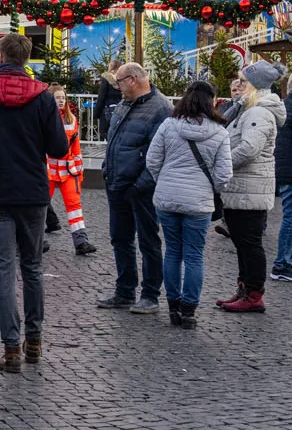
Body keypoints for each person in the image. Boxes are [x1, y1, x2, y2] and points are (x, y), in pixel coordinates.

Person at [0, 34, 68, 374]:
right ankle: (34, 340)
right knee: (32, 267)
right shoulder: (44, 98)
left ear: (0, 55)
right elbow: (59, 148)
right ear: (27, 58)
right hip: (33, 191)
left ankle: (11, 347)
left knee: (3, 269)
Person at [145, 81, 232, 330]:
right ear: (211, 101)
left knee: (173, 252)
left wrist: (164, 181)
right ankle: (189, 311)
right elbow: (224, 175)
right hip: (199, 203)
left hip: (167, 198)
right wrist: (209, 188)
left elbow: (152, 160)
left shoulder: (169, 125)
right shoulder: (220, 132)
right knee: (194, 255)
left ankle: (173, 305)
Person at [97, 62, 172, 313]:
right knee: (120, 239)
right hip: (117, 183)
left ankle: (150, 294)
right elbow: (114, 140)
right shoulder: (124, 104)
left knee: (149, 241)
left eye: (118, 82)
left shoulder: (161, 108)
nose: (116, 87)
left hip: (141, 189)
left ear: (133, 79)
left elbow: (159, 155)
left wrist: (141, 184)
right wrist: (108, 168)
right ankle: (125, 290)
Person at [215, 61, 286, 314]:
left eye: (243, 81)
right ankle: (245, 289)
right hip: (242, 187)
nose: (238, 85)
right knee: (243, 243)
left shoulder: (258, 113)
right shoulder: (248, 109)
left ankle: (253, 294)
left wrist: (221, 164)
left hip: (250, 188)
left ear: (256, 85)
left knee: (249, 244)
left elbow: (249, 149)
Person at [44, 82, 97, 255]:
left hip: (68, 170)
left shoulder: (71, 119)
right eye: (57, 98)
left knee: (74, 205)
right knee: (41, 204)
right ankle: (33, 240)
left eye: (63, 98)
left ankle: (81, 241)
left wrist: (79, 172)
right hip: (49, 170)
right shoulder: (44, 118)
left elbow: (76, 147)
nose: (61, 101)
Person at [272, 104, 292, 283]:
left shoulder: (284, 107)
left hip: (286, 171)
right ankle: (283, 264)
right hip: (289, 172)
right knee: (290, 218)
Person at [96, 60, 123, 138]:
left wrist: (97, 113)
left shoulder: (106, 79)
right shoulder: (122, 80)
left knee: (109, 135)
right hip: (121, 111)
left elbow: (101, 96)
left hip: (108, 110)